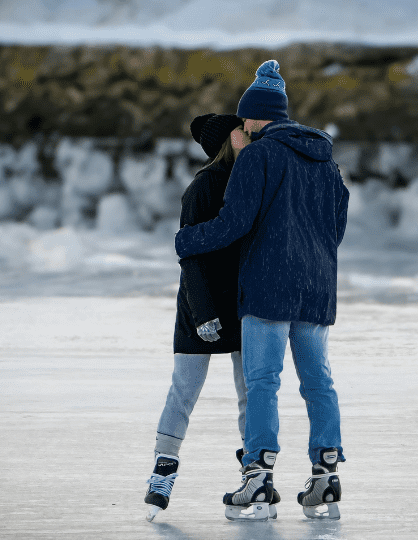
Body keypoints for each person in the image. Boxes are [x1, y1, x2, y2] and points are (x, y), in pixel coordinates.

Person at [174, 59, 350, 521]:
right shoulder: (326, 160)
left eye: (245, 118)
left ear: (254, 117)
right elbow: (337, 227)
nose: (243, 127)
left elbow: (235, 223)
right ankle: (326, 473)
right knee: (318, 383)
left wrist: (188, 239)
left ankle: (257, 476)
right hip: (316, 290)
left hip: (268, 290)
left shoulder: (257, 155)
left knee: (263, 383)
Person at [145, 113, 286, 522]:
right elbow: (191, 256)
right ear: (228, 138)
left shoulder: (254, 177)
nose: (250, 133)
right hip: (199, 305)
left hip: (243, 305)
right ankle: (163, 469)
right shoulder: (204, 186)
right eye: (242, 130)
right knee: (184, 390)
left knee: (251, 393)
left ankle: (254, 472)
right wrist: (203, 313)